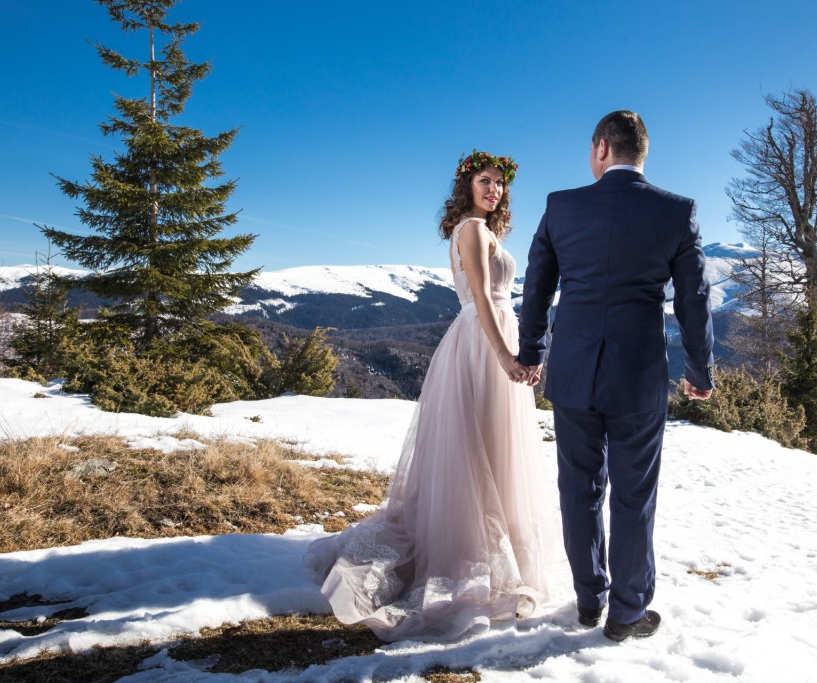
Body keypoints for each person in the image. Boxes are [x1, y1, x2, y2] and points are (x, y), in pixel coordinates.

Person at [305, 151, 563, 642]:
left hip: (485, 340)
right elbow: (483, 299)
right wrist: (508, 355)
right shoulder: (472, 229)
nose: (494, 190)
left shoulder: (484, 230)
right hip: (482, 346)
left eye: (499, 184)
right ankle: (466, 553)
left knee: (492, 451)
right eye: (484, 181)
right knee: (476, 451)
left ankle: (493, 545)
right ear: (466, 186)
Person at [515, 111, 715, 643]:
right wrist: (701, 370)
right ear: (640, 153)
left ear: (601, 148)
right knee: (634, 497)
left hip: (575, 374)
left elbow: (536, 288)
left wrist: (531, 351)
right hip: (638, 378)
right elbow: (693, 300)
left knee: (578, 490)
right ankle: (626, 613)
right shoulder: (676, 211)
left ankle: (588, 599)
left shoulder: (562, 206)